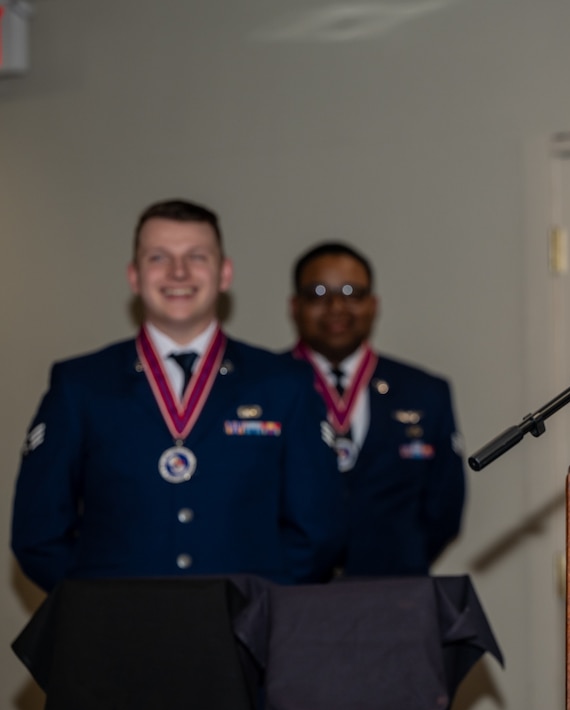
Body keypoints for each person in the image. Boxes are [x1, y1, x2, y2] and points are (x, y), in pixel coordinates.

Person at [11, 199, 341, 592]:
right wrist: (94, 609)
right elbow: (38, 532)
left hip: (246, 639)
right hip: (115, 642)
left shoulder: (284, 383)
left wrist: (260, 606)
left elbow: (318, 532)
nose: (178, 272)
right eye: (158, 257)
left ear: (225, 273)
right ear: (134, 276)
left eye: (196, 256)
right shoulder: (81, 385)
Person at [288, 241, 466, 575]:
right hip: (289, 596)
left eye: (352, 293)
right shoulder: (263, 388)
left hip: (394, 596)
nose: (336, 306)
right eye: (318, 293)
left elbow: (444, 509)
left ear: (374, 304)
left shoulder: (425, 393)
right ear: (294, 306)